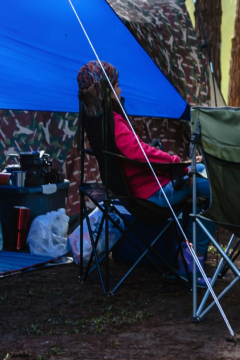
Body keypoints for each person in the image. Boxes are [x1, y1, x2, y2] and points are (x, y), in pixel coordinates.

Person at [77, 61, 213, 283]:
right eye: (117, 85)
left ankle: (187, 256)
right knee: (217, 185)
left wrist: (181, 166)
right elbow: (138, 152)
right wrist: (177, 163)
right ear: (105, 89)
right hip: (150, 195)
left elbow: (137, 152)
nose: (120, 90)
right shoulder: (113, 122)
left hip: (143, 188)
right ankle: (189, 260)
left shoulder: (98, 121)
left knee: (203, 175)